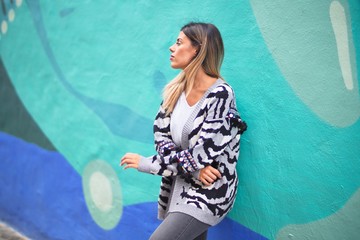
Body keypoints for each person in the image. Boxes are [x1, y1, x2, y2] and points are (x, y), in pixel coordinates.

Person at [120, 22, 247, 240]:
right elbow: (162, 142)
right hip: (180, 186)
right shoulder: (174, 91)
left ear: (198, 50)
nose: (171, 48)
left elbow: (202, 155)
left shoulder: (220, 95)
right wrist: (195, 170)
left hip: (208, 191)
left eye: (179, 42)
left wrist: (147, 164)